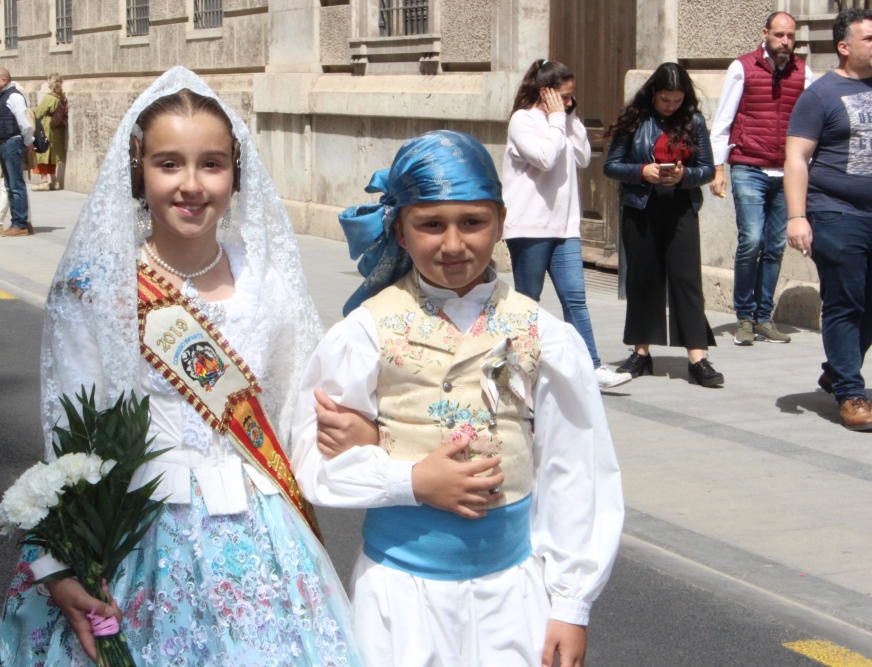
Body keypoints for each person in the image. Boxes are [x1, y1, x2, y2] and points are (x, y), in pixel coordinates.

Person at [0, 67, 362, 666]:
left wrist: (357, 441)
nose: (192, 184)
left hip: (257, 530)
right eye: (169, 164)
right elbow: (71, 438)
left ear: (236, 173)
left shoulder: (268, 286)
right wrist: (60, 564)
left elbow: (297, 414)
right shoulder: (98, 291)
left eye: (211, 163)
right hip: (134, 532)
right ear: (139, 170)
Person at [292, 130, 624, 666]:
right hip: (401, 598)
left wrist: (570, 604)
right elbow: (314, 462)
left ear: (500, 221)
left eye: (473, 222)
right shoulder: (366, 333)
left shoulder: (543, 334)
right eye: (430, 225)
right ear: (399, 232)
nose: (453, 244)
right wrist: (410, 479)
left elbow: (576, 469)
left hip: (511, 595)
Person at [503, 59, 632, 390]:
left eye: (572, 97)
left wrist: (569, 118)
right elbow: (545, 158)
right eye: (564, 95)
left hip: (564, 227)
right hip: (530, 227)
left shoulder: (564, 120)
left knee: (575, 298)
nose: (569, 101)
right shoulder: (523, 121)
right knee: (527, 299)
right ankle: (517, 367)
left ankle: (592, 366)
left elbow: (583, 157)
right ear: (545, 93)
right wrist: (558, 120)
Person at [603, 63, 724, 387]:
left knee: (687, 281)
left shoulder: (693, 121)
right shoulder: (635, 121)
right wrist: (643, 172)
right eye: (665, 100)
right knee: (643, 281)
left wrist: (685, 175)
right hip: (641, 209)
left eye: (676, 100)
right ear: (653, 94)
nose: (670, 106)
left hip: (680, 209)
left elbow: (708, 169)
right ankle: (641, 353)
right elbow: (611, 165)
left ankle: (698, 357)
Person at [785, 8, 872, 430]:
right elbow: (797, 158)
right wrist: (797, 216)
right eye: (869, 38)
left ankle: (838, 369)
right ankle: (851, 394)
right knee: (846, 299)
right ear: (844, 47)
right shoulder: (820, 94)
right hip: (836, 210)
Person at [710, 11, 811, 346]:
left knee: (775, 245)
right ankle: (744, 317)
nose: (785, 41)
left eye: (790, 36)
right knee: (751, 239)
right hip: (748, 166)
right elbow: (723, 119)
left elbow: (814, 118)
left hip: (785, 171)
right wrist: (718, 167)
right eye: (780, 35)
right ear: (765, 33)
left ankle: (763, 317)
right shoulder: (743, 67)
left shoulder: (802, 71)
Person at [0, 67, 33, 237]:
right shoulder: (2, 96)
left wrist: (28, 142)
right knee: (9, 184)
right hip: (4, 144)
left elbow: (25, 122)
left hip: (12, 143)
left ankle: (20, 224)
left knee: (16, 185)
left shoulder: (14, 97)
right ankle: (17, 221)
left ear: (4, 80)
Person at [32, 73, 68, 191]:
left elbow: (39, 112)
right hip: (57, 130)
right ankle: (54, 180)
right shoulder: (62, 97)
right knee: (52, 156)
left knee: (42, 153)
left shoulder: (49, 98)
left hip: (47, 128)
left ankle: (44, 181)